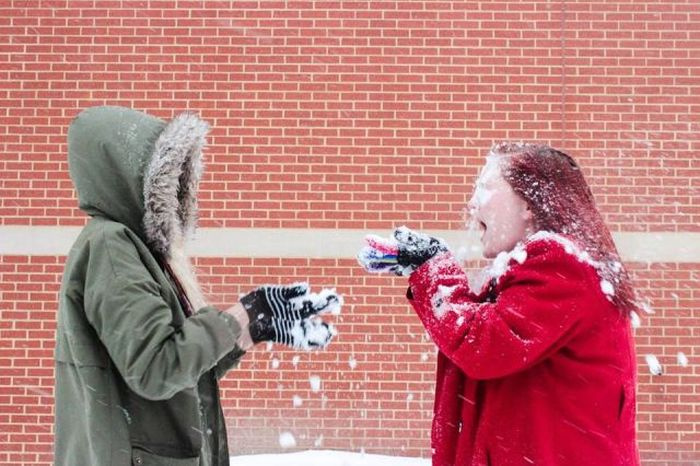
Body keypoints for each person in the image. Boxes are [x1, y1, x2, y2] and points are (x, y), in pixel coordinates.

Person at [55, 106, 341, 466]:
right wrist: (239, 315)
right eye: (165, 177)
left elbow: (178, 366)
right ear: (129, 176)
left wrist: (249, 330)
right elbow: (156, 367)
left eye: (179, 178)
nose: (176, 191)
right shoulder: (112, 246)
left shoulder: (135, 249)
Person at [358, 142, 640, 465]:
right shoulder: (535, 272)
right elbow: (474, 343)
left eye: (486, 187)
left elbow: (482, 345)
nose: (472, 203)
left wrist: (435, 272)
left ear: (529, 202)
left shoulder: (562, 265)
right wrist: (428, 268)